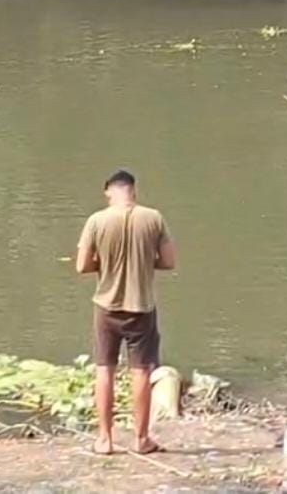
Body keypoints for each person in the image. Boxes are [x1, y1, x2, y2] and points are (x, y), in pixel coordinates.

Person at [76, 170, 176, 455]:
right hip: (141, 308)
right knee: (141, 372)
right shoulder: (154, 218)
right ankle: (142, 439)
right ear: (134, 190)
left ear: (109, 191)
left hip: (106, 308)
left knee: (104, 370)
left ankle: (105, 439)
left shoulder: (96, 220)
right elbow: (169, 261)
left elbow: (82, 266)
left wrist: (104, 264)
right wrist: (144, 261)